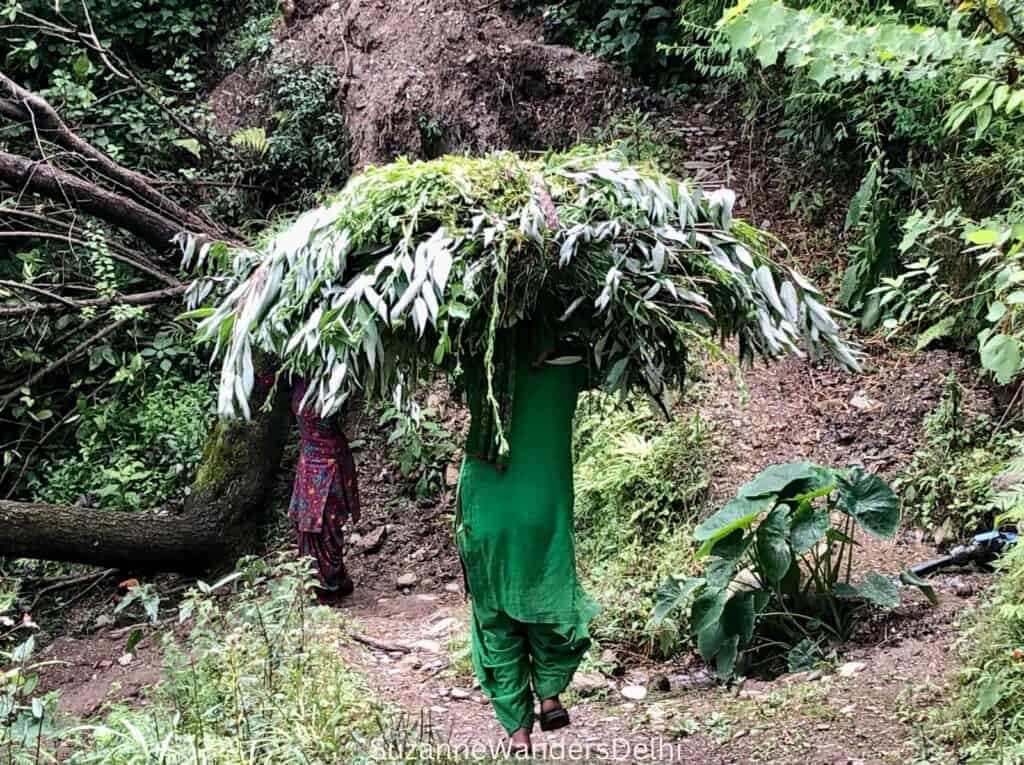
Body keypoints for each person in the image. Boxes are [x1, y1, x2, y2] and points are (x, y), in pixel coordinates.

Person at [456, 324, 598, 753]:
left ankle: (518, 735)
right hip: (545, 508)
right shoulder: (570, 367)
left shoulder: (484, 368)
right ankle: (550, 695)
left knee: (494, 617)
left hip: (488, 506)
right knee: (547, 593)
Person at [288, 377, 361, 604]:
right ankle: (326, 581)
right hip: (309, 459)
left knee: (328, 524)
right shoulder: (297, 377)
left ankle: (328, 585)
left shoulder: (334, 380)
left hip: (328, 461)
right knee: (308, 528)